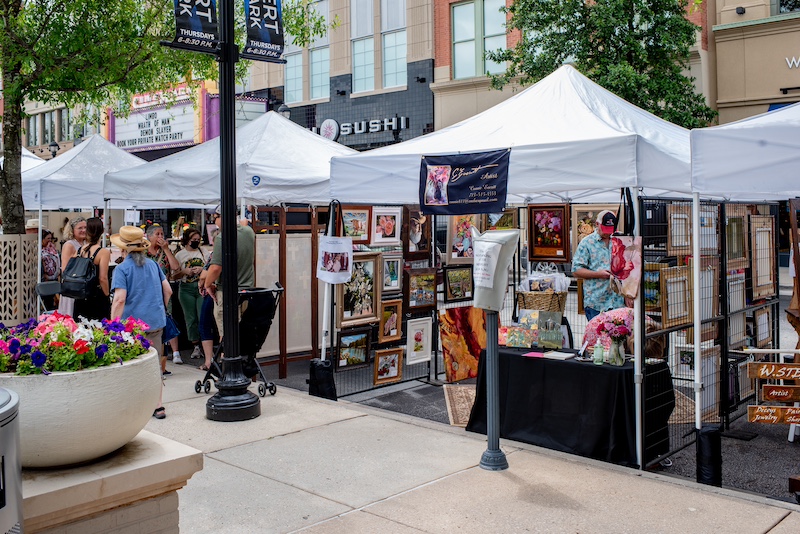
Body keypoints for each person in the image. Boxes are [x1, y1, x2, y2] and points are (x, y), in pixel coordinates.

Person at [110, 226, 172, 419]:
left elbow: (120, 299)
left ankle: (135, 404)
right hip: (155, 323)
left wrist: (113, 324)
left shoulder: (122, 269)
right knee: (154, 364)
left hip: (132, 327)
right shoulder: (154, 265)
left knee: (132, 365)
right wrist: (159, 308)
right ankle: (158, 405)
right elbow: (168, 290)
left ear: (124, 248)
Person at [204, 207, 255, 339]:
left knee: (226, 337)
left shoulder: (222, 237)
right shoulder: (249, 232)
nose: (215, 221)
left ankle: (224, 359)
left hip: (227, 292)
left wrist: (207, 284)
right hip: (246, 290)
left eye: (216, 217)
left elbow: (216, 268)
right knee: (240, 335)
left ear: (223, 217)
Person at [572, 210, 624, 321]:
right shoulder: (587, 243)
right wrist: (598, 274)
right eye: (605, 229)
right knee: (599, 337)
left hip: (618, 302)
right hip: (596, 303)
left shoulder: (619, 240)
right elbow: (576, 270)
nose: (608, 233)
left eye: (610, 230)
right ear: (597, 224)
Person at [145, 224, 182, 370]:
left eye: (162, 234)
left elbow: (175, 267)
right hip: (148, 293)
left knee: (167, 320)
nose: (160, 237)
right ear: (149, 237)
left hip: (164, 292)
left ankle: (175, 353)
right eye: (157, 234)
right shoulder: (143, 253)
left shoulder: (164, 252)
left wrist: (166, 249)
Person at [174, 228, 206, 360]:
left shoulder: (203, 252)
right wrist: (184, 272)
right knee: (190, 318)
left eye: (198, 240)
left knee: (202, 316)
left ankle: (205, 344)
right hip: (186, 288)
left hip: (201, 287)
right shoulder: (180, 255)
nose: (196, 242)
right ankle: (195, 345)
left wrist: (202, 269)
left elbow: (210, 266)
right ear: (187, 240)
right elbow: (174, 276)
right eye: (194, 240)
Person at [72, 217, 111, 321]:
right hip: (96, 297)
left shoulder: (80, 250)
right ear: (102, 231)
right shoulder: (103, 252)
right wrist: (107, 295)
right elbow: (103, 278)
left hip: (80, 295)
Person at [58, 216, 88, 316]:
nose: (83, 230)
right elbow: (65, 269)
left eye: (85, 227)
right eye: (80, 228)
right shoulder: (69, 245)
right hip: (73, 286)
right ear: (72, 230)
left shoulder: (86, 243)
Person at [40, 228, 61, 309]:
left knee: (52, 302)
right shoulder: (40, 250)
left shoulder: (53, 249)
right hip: (45, 279)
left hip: (54, 278)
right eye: (48, 238)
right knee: (47, 300)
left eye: (51, 238)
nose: (50, 241)